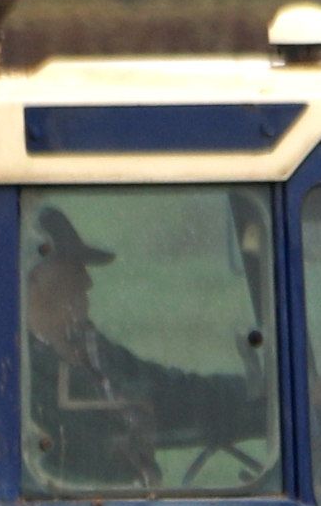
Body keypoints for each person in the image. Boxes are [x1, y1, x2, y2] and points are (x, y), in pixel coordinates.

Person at [22, 203, 272, 488]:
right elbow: (35, 463)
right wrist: (114, 445)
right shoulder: (2, 365)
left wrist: (271, 399)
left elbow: (176, 394)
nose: (87, 281)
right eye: (72, 267)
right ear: (34, 276)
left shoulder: (94, 350)